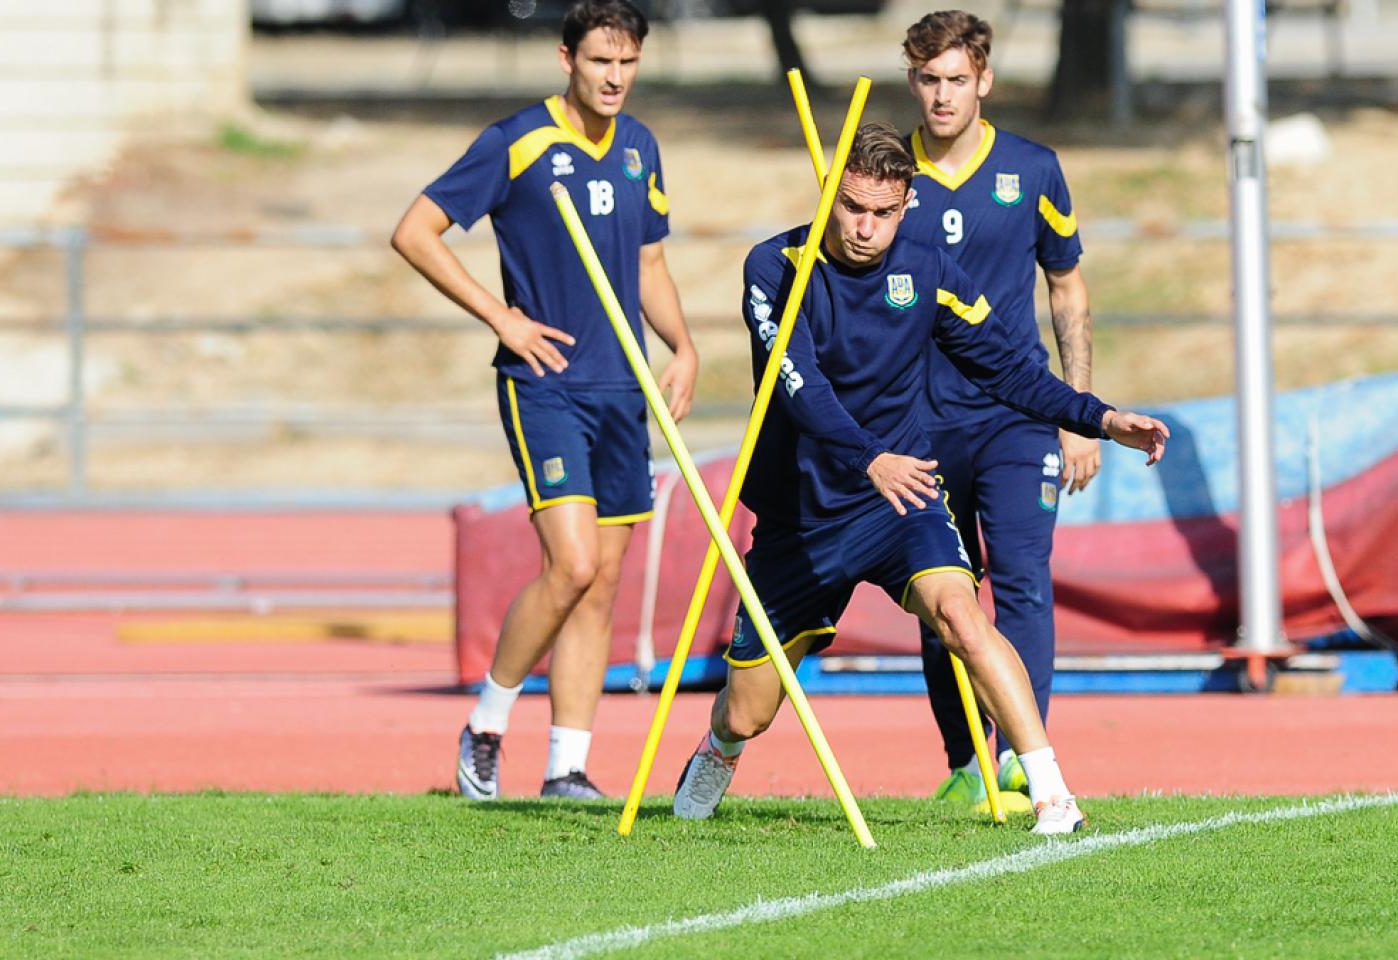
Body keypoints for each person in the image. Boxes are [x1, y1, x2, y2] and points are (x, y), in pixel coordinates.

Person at [669, 123, 1167, 834]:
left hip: (901, 497)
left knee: (962, 615)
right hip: (804, 513)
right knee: (749, 708)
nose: (865, 228)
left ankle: (1054, 793)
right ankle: (716, 750)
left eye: (883, 212)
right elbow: (798, 385)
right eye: (852, 209)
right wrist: (866, 455)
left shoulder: (928, 268)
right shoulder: (775, 266)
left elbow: (1006, 367)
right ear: (829, 194)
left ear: (907, 207)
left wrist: (1099, 416)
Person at [390, 0, 698, 801]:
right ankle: (486, 727)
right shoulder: (516, 142)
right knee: (570, 563)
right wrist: (501, 317)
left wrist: (685, 348)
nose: (615, 78)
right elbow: (415, 231)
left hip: (621, 388)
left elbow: (651, 266)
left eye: (628, 63)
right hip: (546, 384)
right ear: (567, 59)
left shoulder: (640, 147)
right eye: (601, 61)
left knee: (602, 585)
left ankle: (566, 766)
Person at [895, 10, 1099, 810]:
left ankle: (1023, 755)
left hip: (1015, 418)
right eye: (927, 80)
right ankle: (963, 763)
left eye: (955, 80)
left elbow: (1067, 284)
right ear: (912, 80)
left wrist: (1078, 412)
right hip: (916, 422)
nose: (941, 96)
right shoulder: (879, 170)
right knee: (943, 594)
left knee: (1022, 583)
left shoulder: (1033, 168)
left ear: (983, 79)